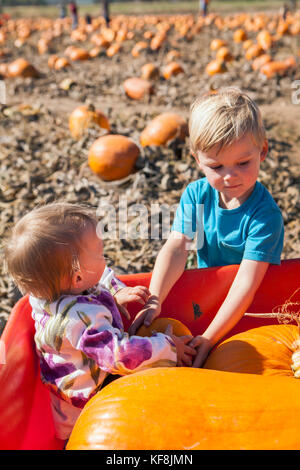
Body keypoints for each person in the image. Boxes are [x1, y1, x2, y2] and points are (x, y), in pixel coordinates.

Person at [4, 202, 195, 441]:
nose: (105, 256)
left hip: (69, 380)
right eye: (100, 252)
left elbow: (98, 279)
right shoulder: (80, 320)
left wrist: (116, 292)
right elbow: (120, 356)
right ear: (77, 277)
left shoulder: (48, 289)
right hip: (88, 405)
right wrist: (168, 347)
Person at [129, 87, 284, 368]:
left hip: (251, 312)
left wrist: (209, 338)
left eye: (243, 163)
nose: (229, 176)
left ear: (262, 151)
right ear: (197, 159)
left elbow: (246, 285)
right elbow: (177, 247)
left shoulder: (265, 217)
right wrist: (154, 300)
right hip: (208, 300)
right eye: (216, 166)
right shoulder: (197, 195)